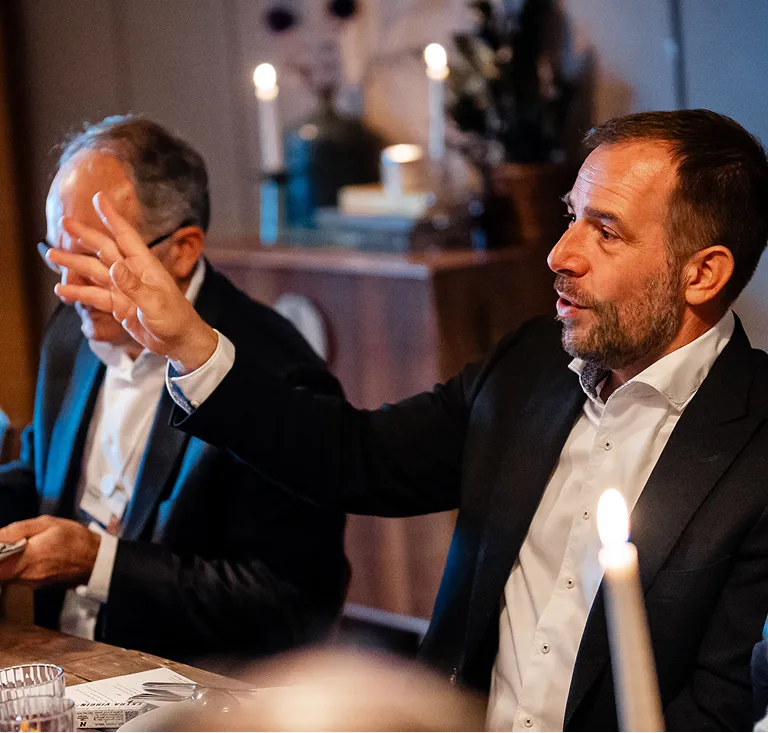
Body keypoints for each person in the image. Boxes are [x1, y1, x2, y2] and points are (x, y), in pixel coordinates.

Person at [51, 109, 768, 731]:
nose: (560, 254)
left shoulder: (756, 445)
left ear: (701, 273)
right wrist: (189, 341)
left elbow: (722, 707)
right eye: (571, 216)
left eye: (605, 232)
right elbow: (355, 456)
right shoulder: (530, 368)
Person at [0, 116, 348, 667]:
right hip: (64, 669)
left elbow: (290, 604)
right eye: (57, 258)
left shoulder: (274, 377)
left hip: (200, 699)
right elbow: (41, 475)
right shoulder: (72, 330)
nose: (68, 291)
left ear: (182, 249)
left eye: (93, 260)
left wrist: (100, 561)